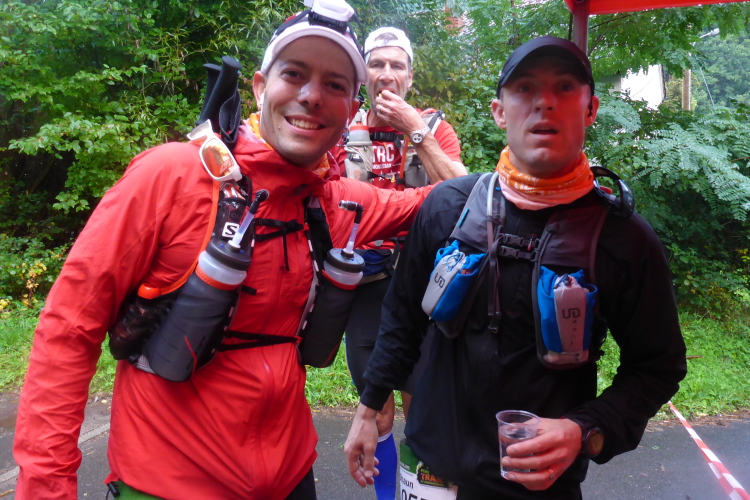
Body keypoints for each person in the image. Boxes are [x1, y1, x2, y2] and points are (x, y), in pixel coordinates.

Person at [12, 1, 434, 499]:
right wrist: (46, 488)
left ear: (350, 109)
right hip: (167, 486)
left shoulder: (333, 201)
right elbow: (68, 329)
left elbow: (451, 200)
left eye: (335, 84)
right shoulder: (171, 175)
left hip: (291, 477)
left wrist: (506, 154)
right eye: (294, 74)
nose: (311, 95)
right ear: (259, 86)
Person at [344, 36, 687, 499]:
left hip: (539, 485)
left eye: (564, 87)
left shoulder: (623, 239)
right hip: (430, 472)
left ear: (590, 109)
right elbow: (402, 321)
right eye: (525, 88)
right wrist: (368, 410)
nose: (544, 102)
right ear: (499, 112)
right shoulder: (449, 206)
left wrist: (584, 429)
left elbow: (658, 366)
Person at [332, 26, 467, 500]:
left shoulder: (435, 128)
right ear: (362, 74)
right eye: (377, 64)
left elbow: (464, 191)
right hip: (366, 286)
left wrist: (416, 129)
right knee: (378, 412)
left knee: (421, 408)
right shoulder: (341, 129)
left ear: (410, 76)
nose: (387, 74)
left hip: (424, 285)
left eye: (397, 66)